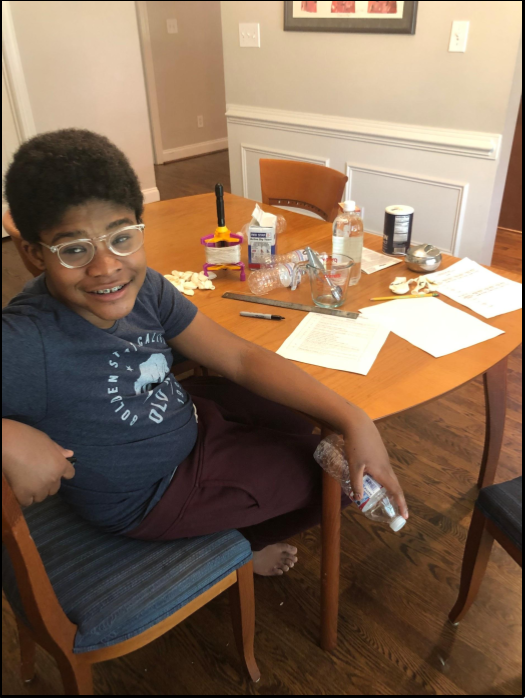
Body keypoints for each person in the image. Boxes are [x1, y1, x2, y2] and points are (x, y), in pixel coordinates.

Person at [2, 129, 407, 577]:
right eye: (74, 250)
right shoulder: (27, 340)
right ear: (34, 255)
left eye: (121, 238)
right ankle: (244, 546)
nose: (106, 267)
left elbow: (239, 357)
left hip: (191, 419)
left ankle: (238, 522)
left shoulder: (147, 286)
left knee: (312, 425)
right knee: (340, 483)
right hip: (155, 495)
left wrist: (356, 417)